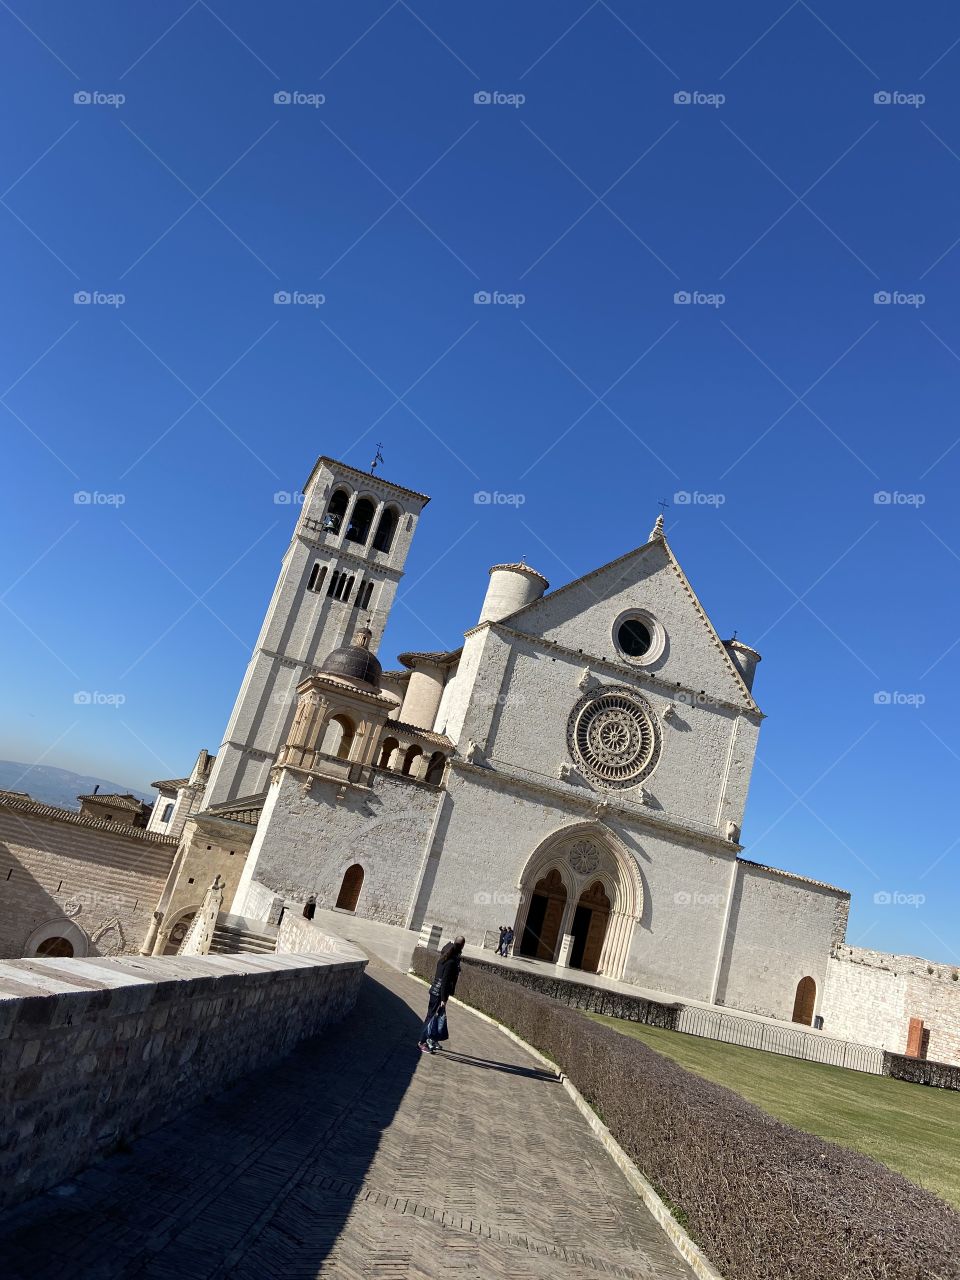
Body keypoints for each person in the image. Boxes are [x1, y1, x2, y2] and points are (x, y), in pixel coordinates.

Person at [418, 936, 465, 1053]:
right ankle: (422, 1042)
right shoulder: (451, 961)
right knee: (431, 1017)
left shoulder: (445, 956)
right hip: (439, 993)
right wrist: (444, 999)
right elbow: (445, 981)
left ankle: (432, 1039)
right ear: (462, 946)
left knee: (435, 1016)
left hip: (436, 991)